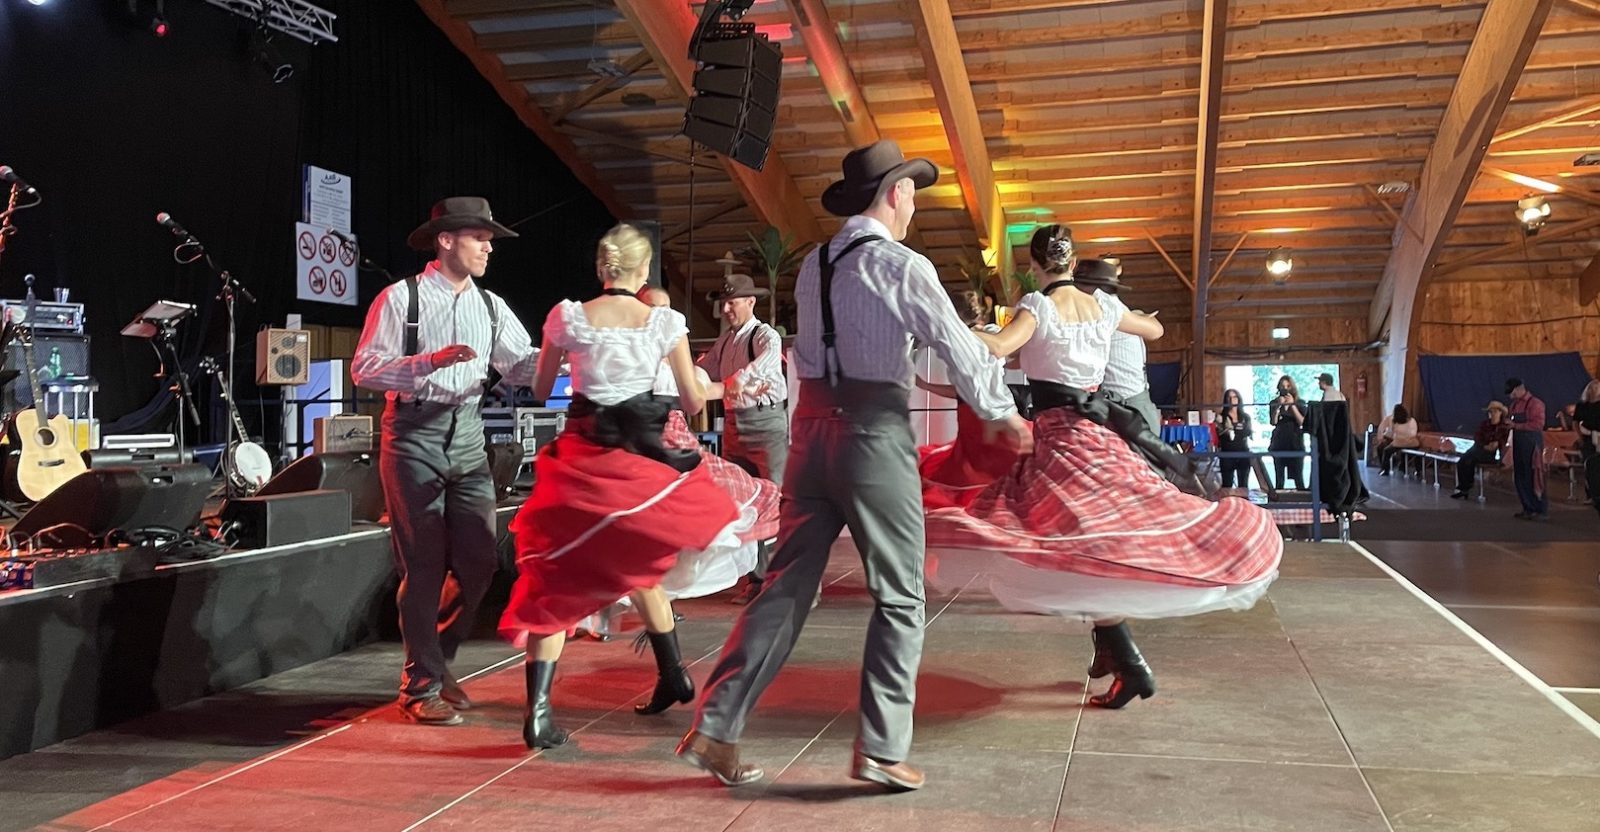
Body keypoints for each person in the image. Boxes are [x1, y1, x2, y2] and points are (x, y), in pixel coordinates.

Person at [680, 140, 1030, 793]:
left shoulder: (815, 265)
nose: (914, 204)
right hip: (873, 436)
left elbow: (807, 355)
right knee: (900, 594)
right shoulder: (902, 264)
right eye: (912, 192)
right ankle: (880, 748)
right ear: (895, 193)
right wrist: (1003, 414)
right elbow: (957, 348)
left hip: (809, 435)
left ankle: (717, 725)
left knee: (785, 585)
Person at [922, 224, 1283, 715]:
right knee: (1093, 541)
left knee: (1068, 543)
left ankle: (1129, 662)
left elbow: (1000, 348)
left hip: (1060, 441)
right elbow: (1154, 331)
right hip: (1100, 433)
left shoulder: (1038, 307)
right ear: (1073, 264)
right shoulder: (1103, 306)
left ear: (1034, 266)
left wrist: (948, 326)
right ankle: (1113, 656)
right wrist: (1130, 318)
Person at [500, 223, 744, 749]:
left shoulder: (567, 318)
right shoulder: (663, 323)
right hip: (639, 466)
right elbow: (694, 402)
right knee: (635, 564)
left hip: (582, 460)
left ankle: (541, 710)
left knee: (555, 572)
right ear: (642, 271)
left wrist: (577, 366)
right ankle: (673, 673)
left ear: (600, 268)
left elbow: (542, 389)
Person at [351, 197, 541, 726]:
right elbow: (364, 369)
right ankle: (421, 684)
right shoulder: (400, 299)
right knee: (425, 564)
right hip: (413, 433)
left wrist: (573, 349)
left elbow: (522, 366)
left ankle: (435, 656)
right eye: (480, 237)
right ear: (446, 239)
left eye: (489, 239)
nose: (488, 247)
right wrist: (426, 362)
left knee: (481, 560)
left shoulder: (491, 306)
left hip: (469, 433)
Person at [698, 273, 790, 605]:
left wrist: (735, 381)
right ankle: (756, 581)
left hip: (767, 427)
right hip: (736, 424)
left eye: (732, 302)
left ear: (750, 302)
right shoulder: (725, 342)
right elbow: (704, 370)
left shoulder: (765, 336)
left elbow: (764, 366)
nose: (726, 309)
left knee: (778, 504)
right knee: (745, 505)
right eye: (724, 303)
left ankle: (788, 581)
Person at [914, 289, 1027, 511]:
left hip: (978, 416)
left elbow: (966, 391)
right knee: (996, 479)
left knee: (971, 479)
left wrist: (925, 385)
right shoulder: (993, 335)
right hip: (997, 411)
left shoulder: (956, 344)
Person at [1505, 377, 1548, 520]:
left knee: (1534, 475)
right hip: (1519, 443)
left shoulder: (1535, 404)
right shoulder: (1514, 405)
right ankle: (1527, 507)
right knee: (1520, 476)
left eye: (1512, 393)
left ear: (1519, 388)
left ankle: (1540, 509)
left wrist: (1516, 426)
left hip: (1532, 443)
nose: (1511, 396)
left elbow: (1538, 425)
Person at [1450, 400, 1511, 499]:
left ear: (1500, 413)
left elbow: (1503, 442)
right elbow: (1477, 437)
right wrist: (1484, 445)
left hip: (1491, 454)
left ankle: (1465, 488)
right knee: (1463, 460)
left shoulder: (1504, 428)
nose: (1492, 414)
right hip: (1479, 449)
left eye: (1495, 411)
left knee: (1469, 459)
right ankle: (1464, 487)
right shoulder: (1484, 424)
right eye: (1491, 412)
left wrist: (1497, 443)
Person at [1268, 376, 1307, 489]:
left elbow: (1302, 422)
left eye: (1288, 386)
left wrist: (1292, 405)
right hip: (1279, 442)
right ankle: (1277, 504)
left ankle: (1303, 504)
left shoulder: (1300, 403)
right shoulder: (1274, 402)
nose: (1285, 389)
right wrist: (1278, 407)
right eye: (1282, 386)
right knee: (1279, 479)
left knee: (1298, 478)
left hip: (1295, 443)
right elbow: (1273, 422)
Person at [1215, 388, 1253, 489]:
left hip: (1243, 453)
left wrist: (1235, 432)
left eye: (1235, 397)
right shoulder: (1221, 418)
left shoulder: (1245, 417)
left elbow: (1248, 432)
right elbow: (1220, 435)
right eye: (1229, 397)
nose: (1232, 400)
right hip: (1227, 454)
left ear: (1239, 399)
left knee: (1243, 485)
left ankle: (1243, 504)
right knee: (1227, 485)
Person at [1573, 380, 1600, 517]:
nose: (1594, 390)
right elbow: (1575, 422)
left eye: (1597, 387)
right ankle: (1591, 494)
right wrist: (1579, 437)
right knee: (1589, 466)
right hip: (1587, 438)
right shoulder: (1582, 405)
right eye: (1592, 387)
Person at [1376, 404, 1421, 476]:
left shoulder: (1394, 422)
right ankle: (1418, 470)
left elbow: (1390, 432)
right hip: (1413, 443)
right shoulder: (1412, 420)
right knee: (1416, 451)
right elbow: (1413, 433)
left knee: (1386, 451)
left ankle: (1385, 469)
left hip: (1399, 442)